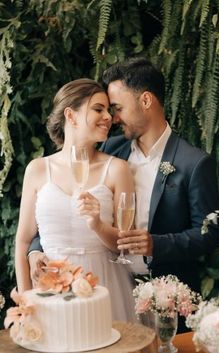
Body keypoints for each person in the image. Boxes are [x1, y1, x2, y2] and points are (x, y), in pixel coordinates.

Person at [100, 57, 219, 331]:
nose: (113, 118)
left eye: (118, 108)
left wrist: (157, 244)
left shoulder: (194, 163)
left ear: (145, 101)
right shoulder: (108, 150)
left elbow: (210, 235)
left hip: (166, 303)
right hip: (112, 296)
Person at [15, 78, 137, 322]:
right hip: (51, 289)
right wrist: (26, 299)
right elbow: (22, 241)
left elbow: (126, 245)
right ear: (71, 115)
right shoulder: (38, 169)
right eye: (98, 109)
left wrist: (97, 225)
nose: (109, 118)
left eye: (109, 111)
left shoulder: (117, 170)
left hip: (106, 284)